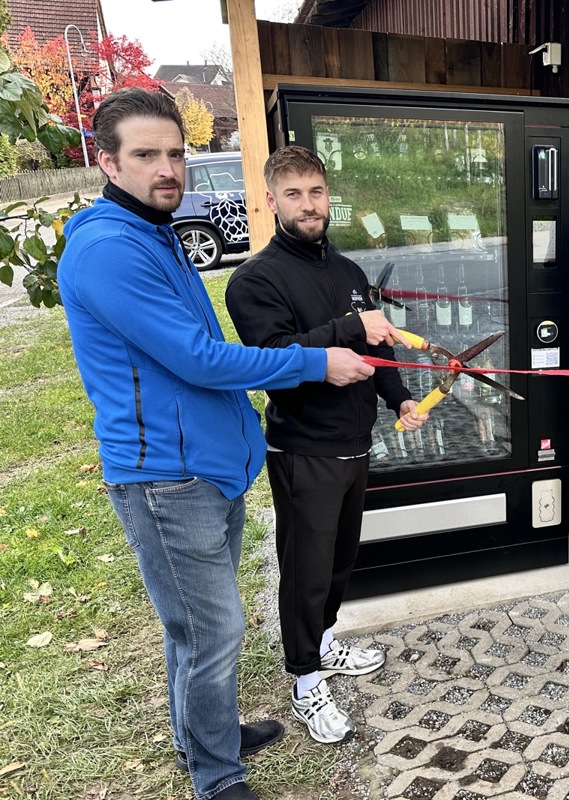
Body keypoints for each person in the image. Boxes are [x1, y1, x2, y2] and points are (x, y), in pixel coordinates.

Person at [57, 89, 375, 800]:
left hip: (209, 469)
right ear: (105, 160)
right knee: (211, 633)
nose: (167, 168)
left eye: (175, 152)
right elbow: (200, 358)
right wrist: (315, 362)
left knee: (197, 629)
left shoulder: (155, 233)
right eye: (146, 154)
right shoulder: (111, 250)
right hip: (165, 477)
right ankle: (216, 775)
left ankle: (208, 734)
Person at [225, 146, 429, 745]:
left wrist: (401, 399)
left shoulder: (348, 272)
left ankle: (326, 642)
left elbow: (378, 347)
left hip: (354, 443)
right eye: (294, 194)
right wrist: (348, 329)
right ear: (271, 201)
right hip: (302, 451)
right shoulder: (254, 280)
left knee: (340, 562)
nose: (308, 205)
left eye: (316, 192)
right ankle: (304, 677)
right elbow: (268, 361)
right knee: (306, 570)